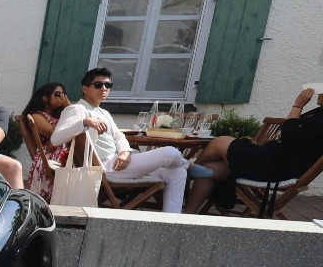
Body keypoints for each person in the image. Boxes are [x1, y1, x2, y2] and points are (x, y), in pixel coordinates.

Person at [51, 67, 190, 214]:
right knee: (171, 153)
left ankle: (171, 221)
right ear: (85, 89)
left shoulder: (103, 112)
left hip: (120, 161)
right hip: (107, 167)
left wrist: (124, 152)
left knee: (178, 172)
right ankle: (189, 165)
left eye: (108, 85)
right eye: (98, 85)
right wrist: (85, 122)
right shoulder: (77, 109)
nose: (104, 88)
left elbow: (119, 136)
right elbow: (55, 139)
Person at [184, 84, 323, 214]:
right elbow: (287, 129)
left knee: (221, 142)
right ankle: (186, 217)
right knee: (209, 170)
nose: (318, 93)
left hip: (277, 168)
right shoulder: (318, 113)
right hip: (271, 159)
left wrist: (298, 105)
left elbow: (288, 134)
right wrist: (288, 130)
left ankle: (187, 172)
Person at [18, 82, 71, 200]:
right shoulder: (37, 116)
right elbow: (54, 132)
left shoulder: (60, 116)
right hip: (48, 156)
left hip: (64, 152)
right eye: (57, 94)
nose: (61, 98)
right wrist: (69, 109)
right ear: (45, 98)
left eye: (63, 94)